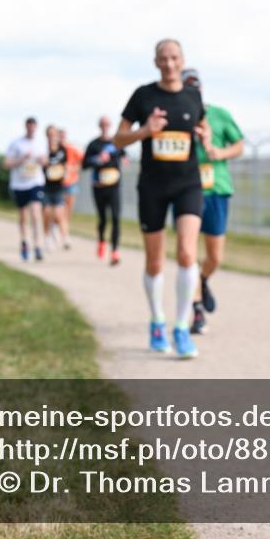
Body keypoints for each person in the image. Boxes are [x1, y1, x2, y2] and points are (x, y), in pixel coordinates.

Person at [114, 39, 209, 359]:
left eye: (174, 58)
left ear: (182, 60)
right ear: (156, 62)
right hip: (153, 186)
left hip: (188, 184)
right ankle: (157, 321)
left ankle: (181, 328)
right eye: (163, 59)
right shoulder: (144, 96)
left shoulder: (193, 96)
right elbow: (118, 138)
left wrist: (206, 136)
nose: (169, 63)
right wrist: (145, 131)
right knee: (155, 261)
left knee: (186, 252)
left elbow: (202, 125)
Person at [181, 69, 245, 335]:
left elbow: (239, 144)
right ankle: (196, 309)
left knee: (215, 256)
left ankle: (203, 280)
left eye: (195, 86)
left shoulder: (219, 115)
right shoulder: (177, 118)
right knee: (189, 253)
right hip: (186, 189)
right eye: (187, 86)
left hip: (216, 189)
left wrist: (219, 152)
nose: (192, 90)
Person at [83, 116, 127, 266]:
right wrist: (97, 159)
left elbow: (124, 156)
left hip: (114, 186)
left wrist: (124, 160)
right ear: (99, 126)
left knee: (115, 218)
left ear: (110, 125)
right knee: (103, 219)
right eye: (102, 124)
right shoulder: (93, 144)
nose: (105, 127)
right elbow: (84, 164)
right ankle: (101, 240)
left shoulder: (116, 143)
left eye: (107, 124)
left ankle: (115, 251)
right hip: (99, 187)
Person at [4, 117, 49, 262]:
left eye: (33, 127)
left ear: (36, 127)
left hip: (36, 182)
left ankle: (38, 246)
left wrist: (43, 161)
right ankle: (24, 242)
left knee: (36, 213)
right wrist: (22, 159)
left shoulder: (41, 143)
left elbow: (46, 161)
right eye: (29, 126)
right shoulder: (16, 143)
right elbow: (7, 163)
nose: (31, 129)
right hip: (19, 184)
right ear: (26, 127)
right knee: (23, 216)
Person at [42, 125, 71, 250]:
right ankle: (48, 237)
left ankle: (65, 238)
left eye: (54, 134)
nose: (52, 136)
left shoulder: (62, 149)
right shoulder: (43, 150)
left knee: (59, 213)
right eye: (50, 134)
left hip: (58, 185)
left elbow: (66, 165)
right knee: (47, 213)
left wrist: (66, 174)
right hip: (45, 186)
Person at [61, 128, 84, 221]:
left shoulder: (72, 149)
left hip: (71, 181)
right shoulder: (55, 150)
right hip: (58, 183)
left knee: (69, 207)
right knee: (59, 207)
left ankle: (65, 226)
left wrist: (72, 169)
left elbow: (82, 163)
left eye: (63, 136)